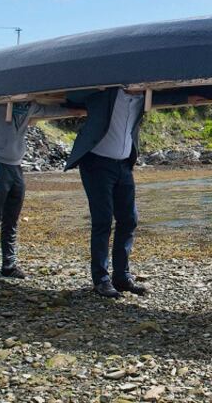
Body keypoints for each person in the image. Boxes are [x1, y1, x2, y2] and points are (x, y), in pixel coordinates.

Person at [0, 100, 78, 279]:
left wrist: (79, 111)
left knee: (12, 220)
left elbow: (49, 110)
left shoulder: (30, 105)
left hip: (16, 167)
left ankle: (9, 264)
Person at [64, 87, 147, 299]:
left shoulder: (144, 95)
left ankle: (121, 277)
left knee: (129, 220)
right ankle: (101, 279)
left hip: (123, 166)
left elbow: (171, 95)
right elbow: (72, 95)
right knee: (102, 221)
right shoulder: (104, 91)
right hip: (96, 163)